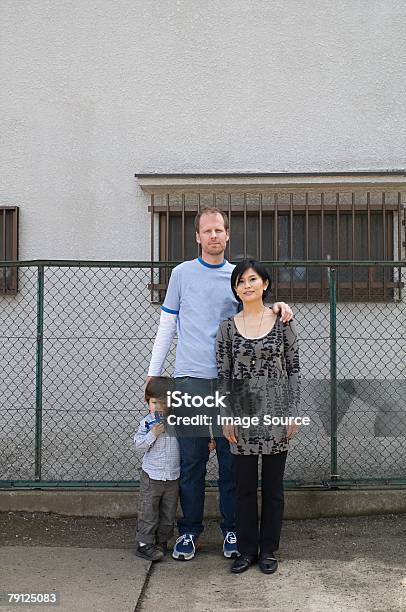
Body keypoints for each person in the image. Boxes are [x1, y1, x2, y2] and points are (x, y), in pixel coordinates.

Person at [145, 207, 294, 561]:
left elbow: (257, 310)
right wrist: (154, 374)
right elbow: (167, 325)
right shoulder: (181, 274)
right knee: (193, 461)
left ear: (227, 235)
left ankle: (232, 531)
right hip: (190, 380)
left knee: (232, 461)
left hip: (234, 385)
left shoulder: (238, 277)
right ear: (197, 236)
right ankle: (190, 531)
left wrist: (279, 308)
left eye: (219, 230)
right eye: (207, 230)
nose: (213, 235)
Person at [216, 259, 301, 574]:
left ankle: (269, 551)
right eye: (240, 281)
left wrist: (294, 412)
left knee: (273, 488)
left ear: (265, 284)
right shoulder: (227, 327)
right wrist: (226, 415)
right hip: (241, 418)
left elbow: (294, 369)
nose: (246, 285)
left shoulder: (283, 321)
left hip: (276, 416)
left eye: (252, 279)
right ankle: (246, 550)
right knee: (245, 488)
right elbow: (223, 375)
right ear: (236, 290)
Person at [133, 376, 179, 561]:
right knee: (148, 510)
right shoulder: (147, 423)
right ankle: (144, 543)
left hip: (173, 476)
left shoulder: (177, 422)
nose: (159, 407)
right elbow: (138, 446)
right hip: (152, 475)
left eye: (163, 403)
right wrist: (152, 435)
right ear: (147, 401)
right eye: (154, 403)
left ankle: (162, 542)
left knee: (168, 512)